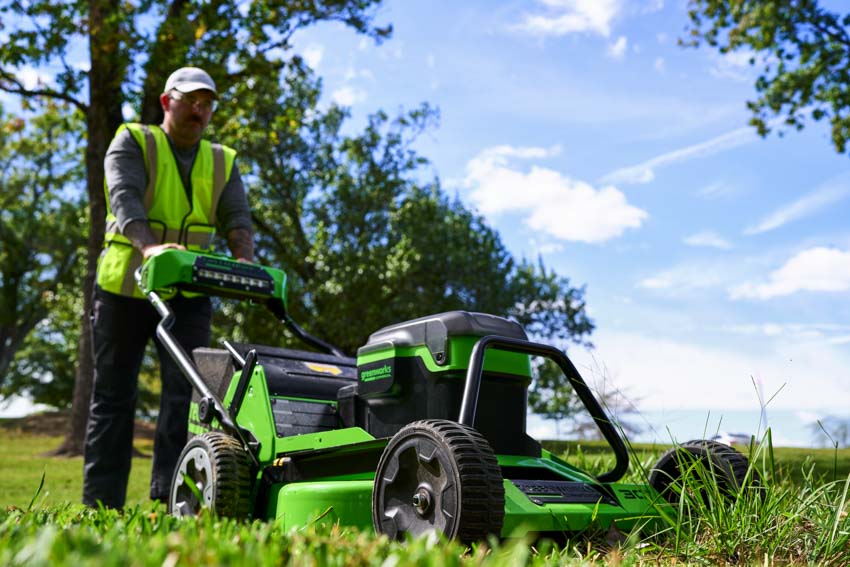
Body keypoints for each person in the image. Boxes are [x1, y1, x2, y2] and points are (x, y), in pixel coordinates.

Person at [83, 67, 254, 508]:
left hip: (188, 294)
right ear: (166, 102)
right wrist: (149, 247)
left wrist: (245, 264)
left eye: (207, 103)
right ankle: (102, 503)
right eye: (191, 99)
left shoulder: (222, 160)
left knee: (187, 396)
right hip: (125, 288)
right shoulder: (133, 141)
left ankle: (171, 500)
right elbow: (124, 198)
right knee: (114, 395)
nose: (200, 109)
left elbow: (236, 218)